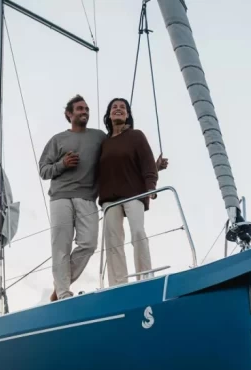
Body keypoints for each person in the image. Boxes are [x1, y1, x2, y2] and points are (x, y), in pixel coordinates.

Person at [39, 95, 107, 301]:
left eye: (86, 109)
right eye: (79, 109)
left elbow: (116, 154)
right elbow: (43, 170)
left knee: (89, 244)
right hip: (60, 197)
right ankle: (63, 293)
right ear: (69, 114)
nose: (84, 111)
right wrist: (62, 164)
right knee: (61, 246)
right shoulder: (57, 140)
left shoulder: (99, 136)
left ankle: (60, 284)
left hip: (87, 197)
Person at [98, 97, 168, 287]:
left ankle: (144, 278)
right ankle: (117, 284)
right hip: (109, 199)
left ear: (128, 115)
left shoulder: (136, 136)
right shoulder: (103, 143)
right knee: (113, 240)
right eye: (114, 107)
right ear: (109, 115)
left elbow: (147, 164)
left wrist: (151, 187)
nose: (118, 109)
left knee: (138, 232)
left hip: (134, 194)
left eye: (122, 107)